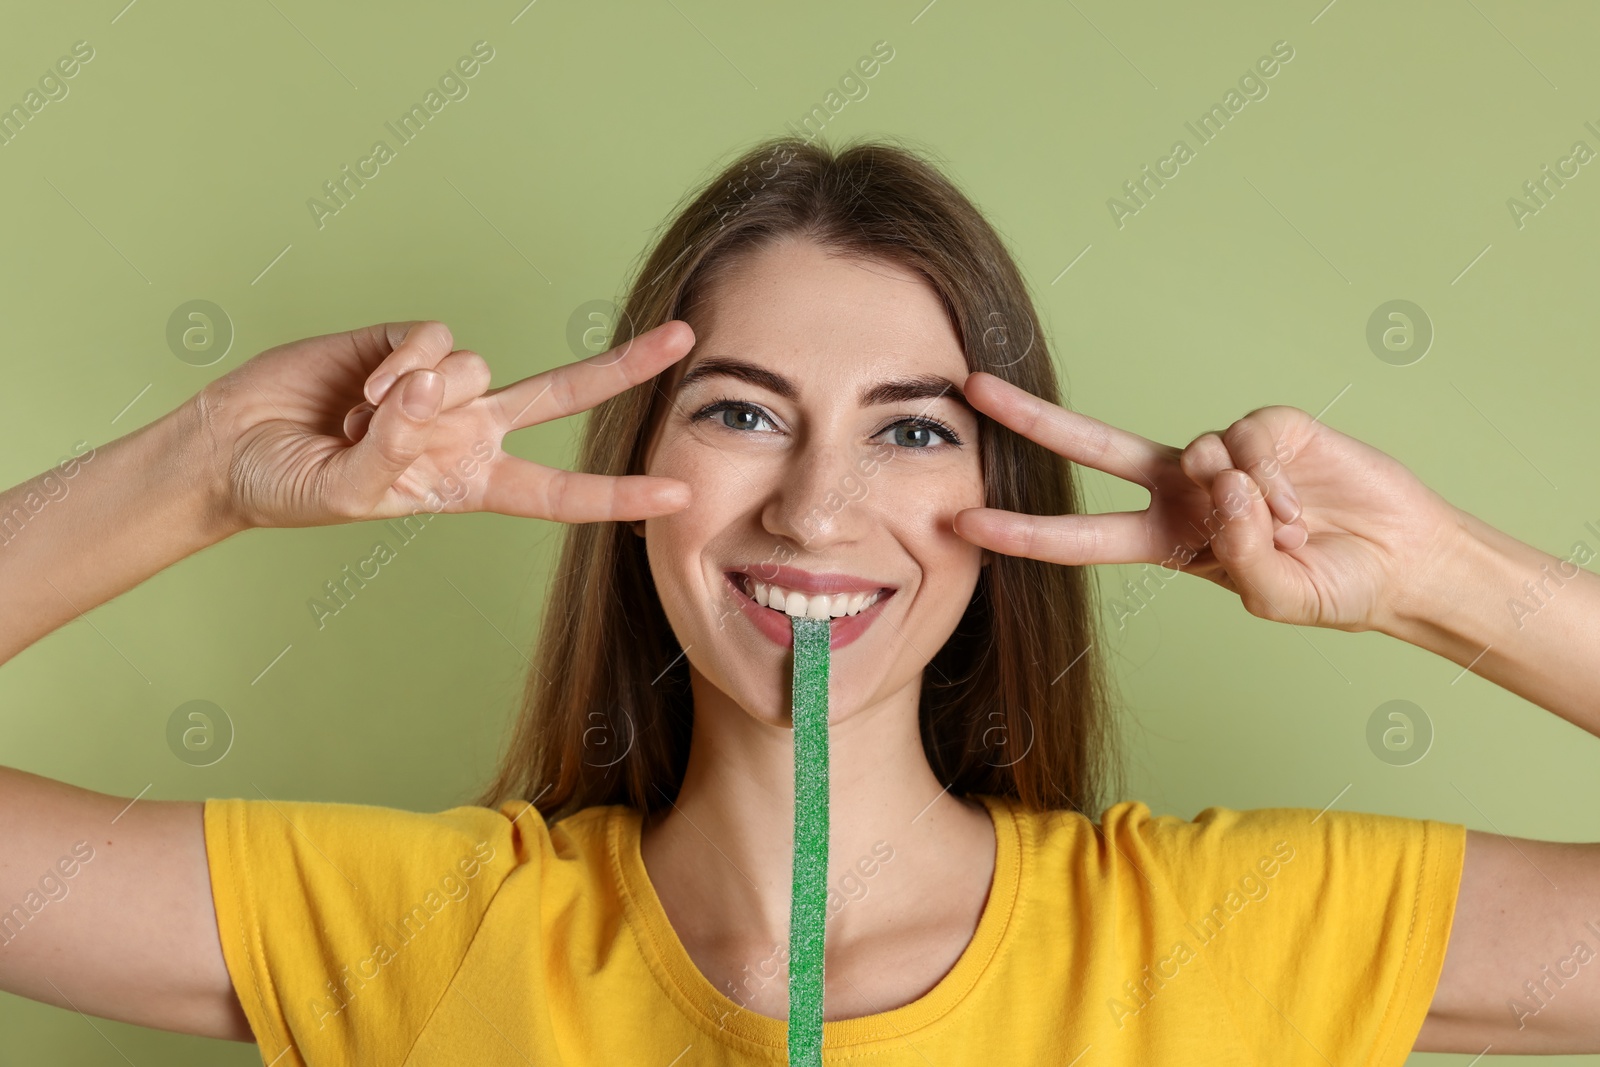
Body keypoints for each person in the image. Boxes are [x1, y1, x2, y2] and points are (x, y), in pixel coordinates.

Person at [1, 136, 1596, 1065]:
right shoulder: (410, 934)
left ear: (1004, 502)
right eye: (742, 412)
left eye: (910, 430)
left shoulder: (1237, 939)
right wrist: (205, 468)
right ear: (638, 471)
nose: (815, 507)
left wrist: (1443, 584)